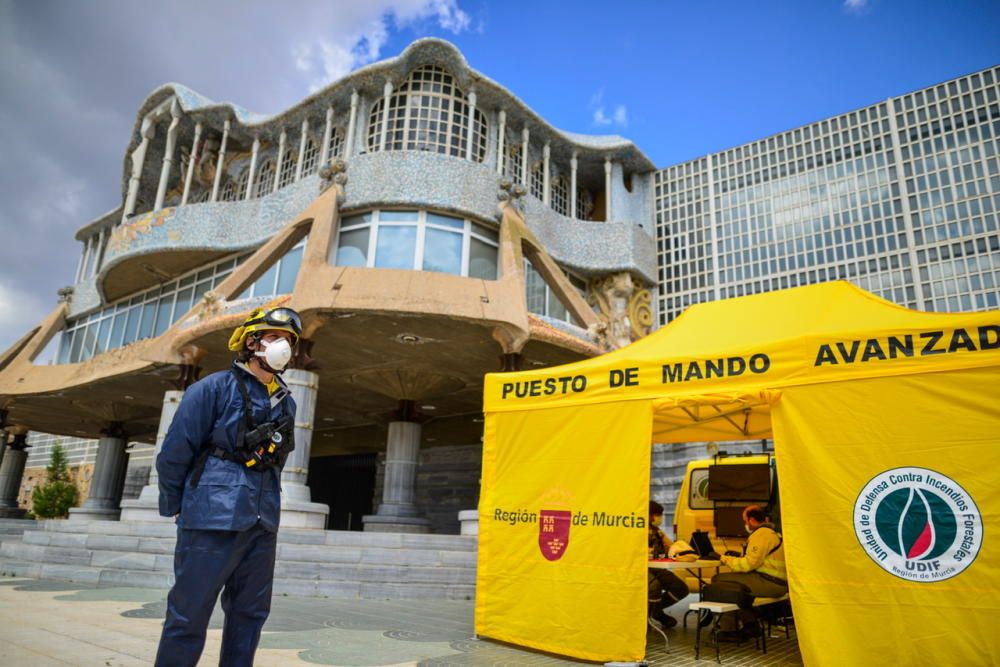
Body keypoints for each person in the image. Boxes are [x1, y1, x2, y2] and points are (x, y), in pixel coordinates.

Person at [154, 306, 302, 667]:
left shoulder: (287, 402)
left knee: (249, 616)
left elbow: (276, 461)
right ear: (251, 343)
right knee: (188, 614)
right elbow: (174, 452)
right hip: (210, 517)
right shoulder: (211, 389)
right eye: (274, 337)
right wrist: (177, 503)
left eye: (288, 341)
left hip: (262, 522)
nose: (283, 346)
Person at [712, 504, 787, 639]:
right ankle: (750, 624)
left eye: (745, 521)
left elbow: (748, 565)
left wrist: (722, 558)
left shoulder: (761, 535)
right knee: (734, 587)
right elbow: (757, 560)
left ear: (752, 520)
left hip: (770, 582)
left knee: (719, 580)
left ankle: (729, 630)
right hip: (775, 581)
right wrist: (735, 557)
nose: (745, 524)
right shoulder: (771, 533)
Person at [647, 500, 689, 629]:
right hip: (643, 568)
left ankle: (656, 611)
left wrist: (685, 550)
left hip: (658, 567)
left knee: (680, 588)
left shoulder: (658, 532)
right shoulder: (635, 530)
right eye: (656, 514)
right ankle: (649, 617)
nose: (658, 518)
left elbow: (671, 546)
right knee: (654, 585)